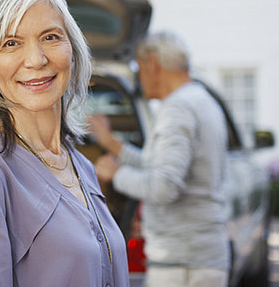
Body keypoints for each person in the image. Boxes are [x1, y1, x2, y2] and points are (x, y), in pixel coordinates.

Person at [0, 0, 129, 286]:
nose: (36, 59)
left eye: (50, 37)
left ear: (73, 49)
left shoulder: (81, 165)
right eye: (11, 43)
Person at [91, 31, 230, 287]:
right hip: (197, 258)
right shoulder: (201, 101)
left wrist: (116, 174)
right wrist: (112, 144)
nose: (139, 79)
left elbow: (163, 186)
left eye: (139, 69)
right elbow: (159, 165)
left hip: (183, 264)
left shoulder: (179, 109)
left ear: (152, 63)